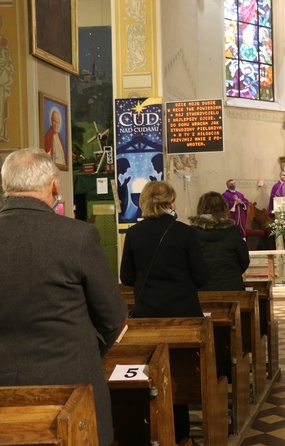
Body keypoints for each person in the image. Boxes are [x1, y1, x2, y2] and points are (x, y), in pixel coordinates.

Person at [0, 148, 127, 445]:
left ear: (6, 186)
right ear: (55, 185)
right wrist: (83, 351)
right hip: (70, 385)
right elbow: (113, 318)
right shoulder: (77, 236)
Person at [120, 180, 210, 442]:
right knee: (181, 375)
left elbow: (126, 277)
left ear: (144, 202)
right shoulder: (185, 233)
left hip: (148, 316)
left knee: (153, 372)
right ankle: (181, 433)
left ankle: (154, 429)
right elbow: (202, 277)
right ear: (170, 202)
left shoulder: (134, 234)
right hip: (184, 317)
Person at [189, 192, 250, 291]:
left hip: (200, 289)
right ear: (223, 208)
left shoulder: (190, 233)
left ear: (200, 208)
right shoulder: (233, 232)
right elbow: (244, 261)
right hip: (231, 288)